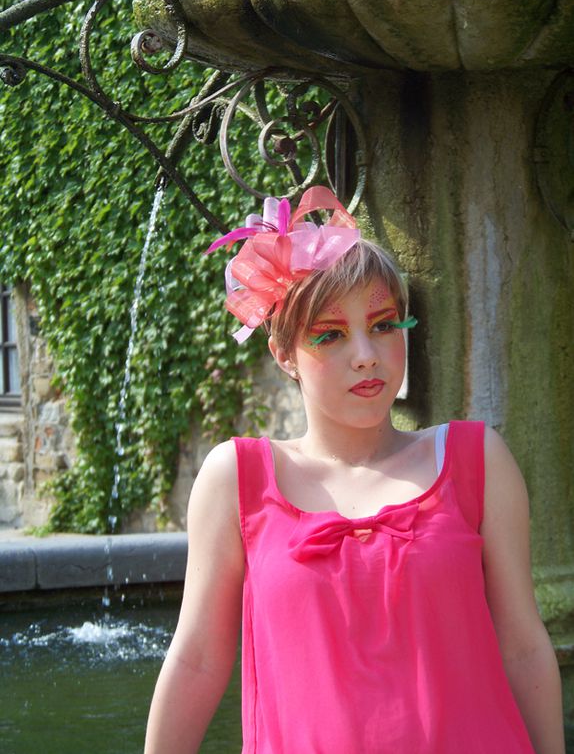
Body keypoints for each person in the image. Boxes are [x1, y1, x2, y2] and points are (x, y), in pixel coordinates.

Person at [144, 187, 565, 753]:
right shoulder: (236, 480)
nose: (366, 354)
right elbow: (196, 660)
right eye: (331, 334)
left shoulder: (477, 461)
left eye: (384, 325)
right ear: (284, 353)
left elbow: (523, 647)